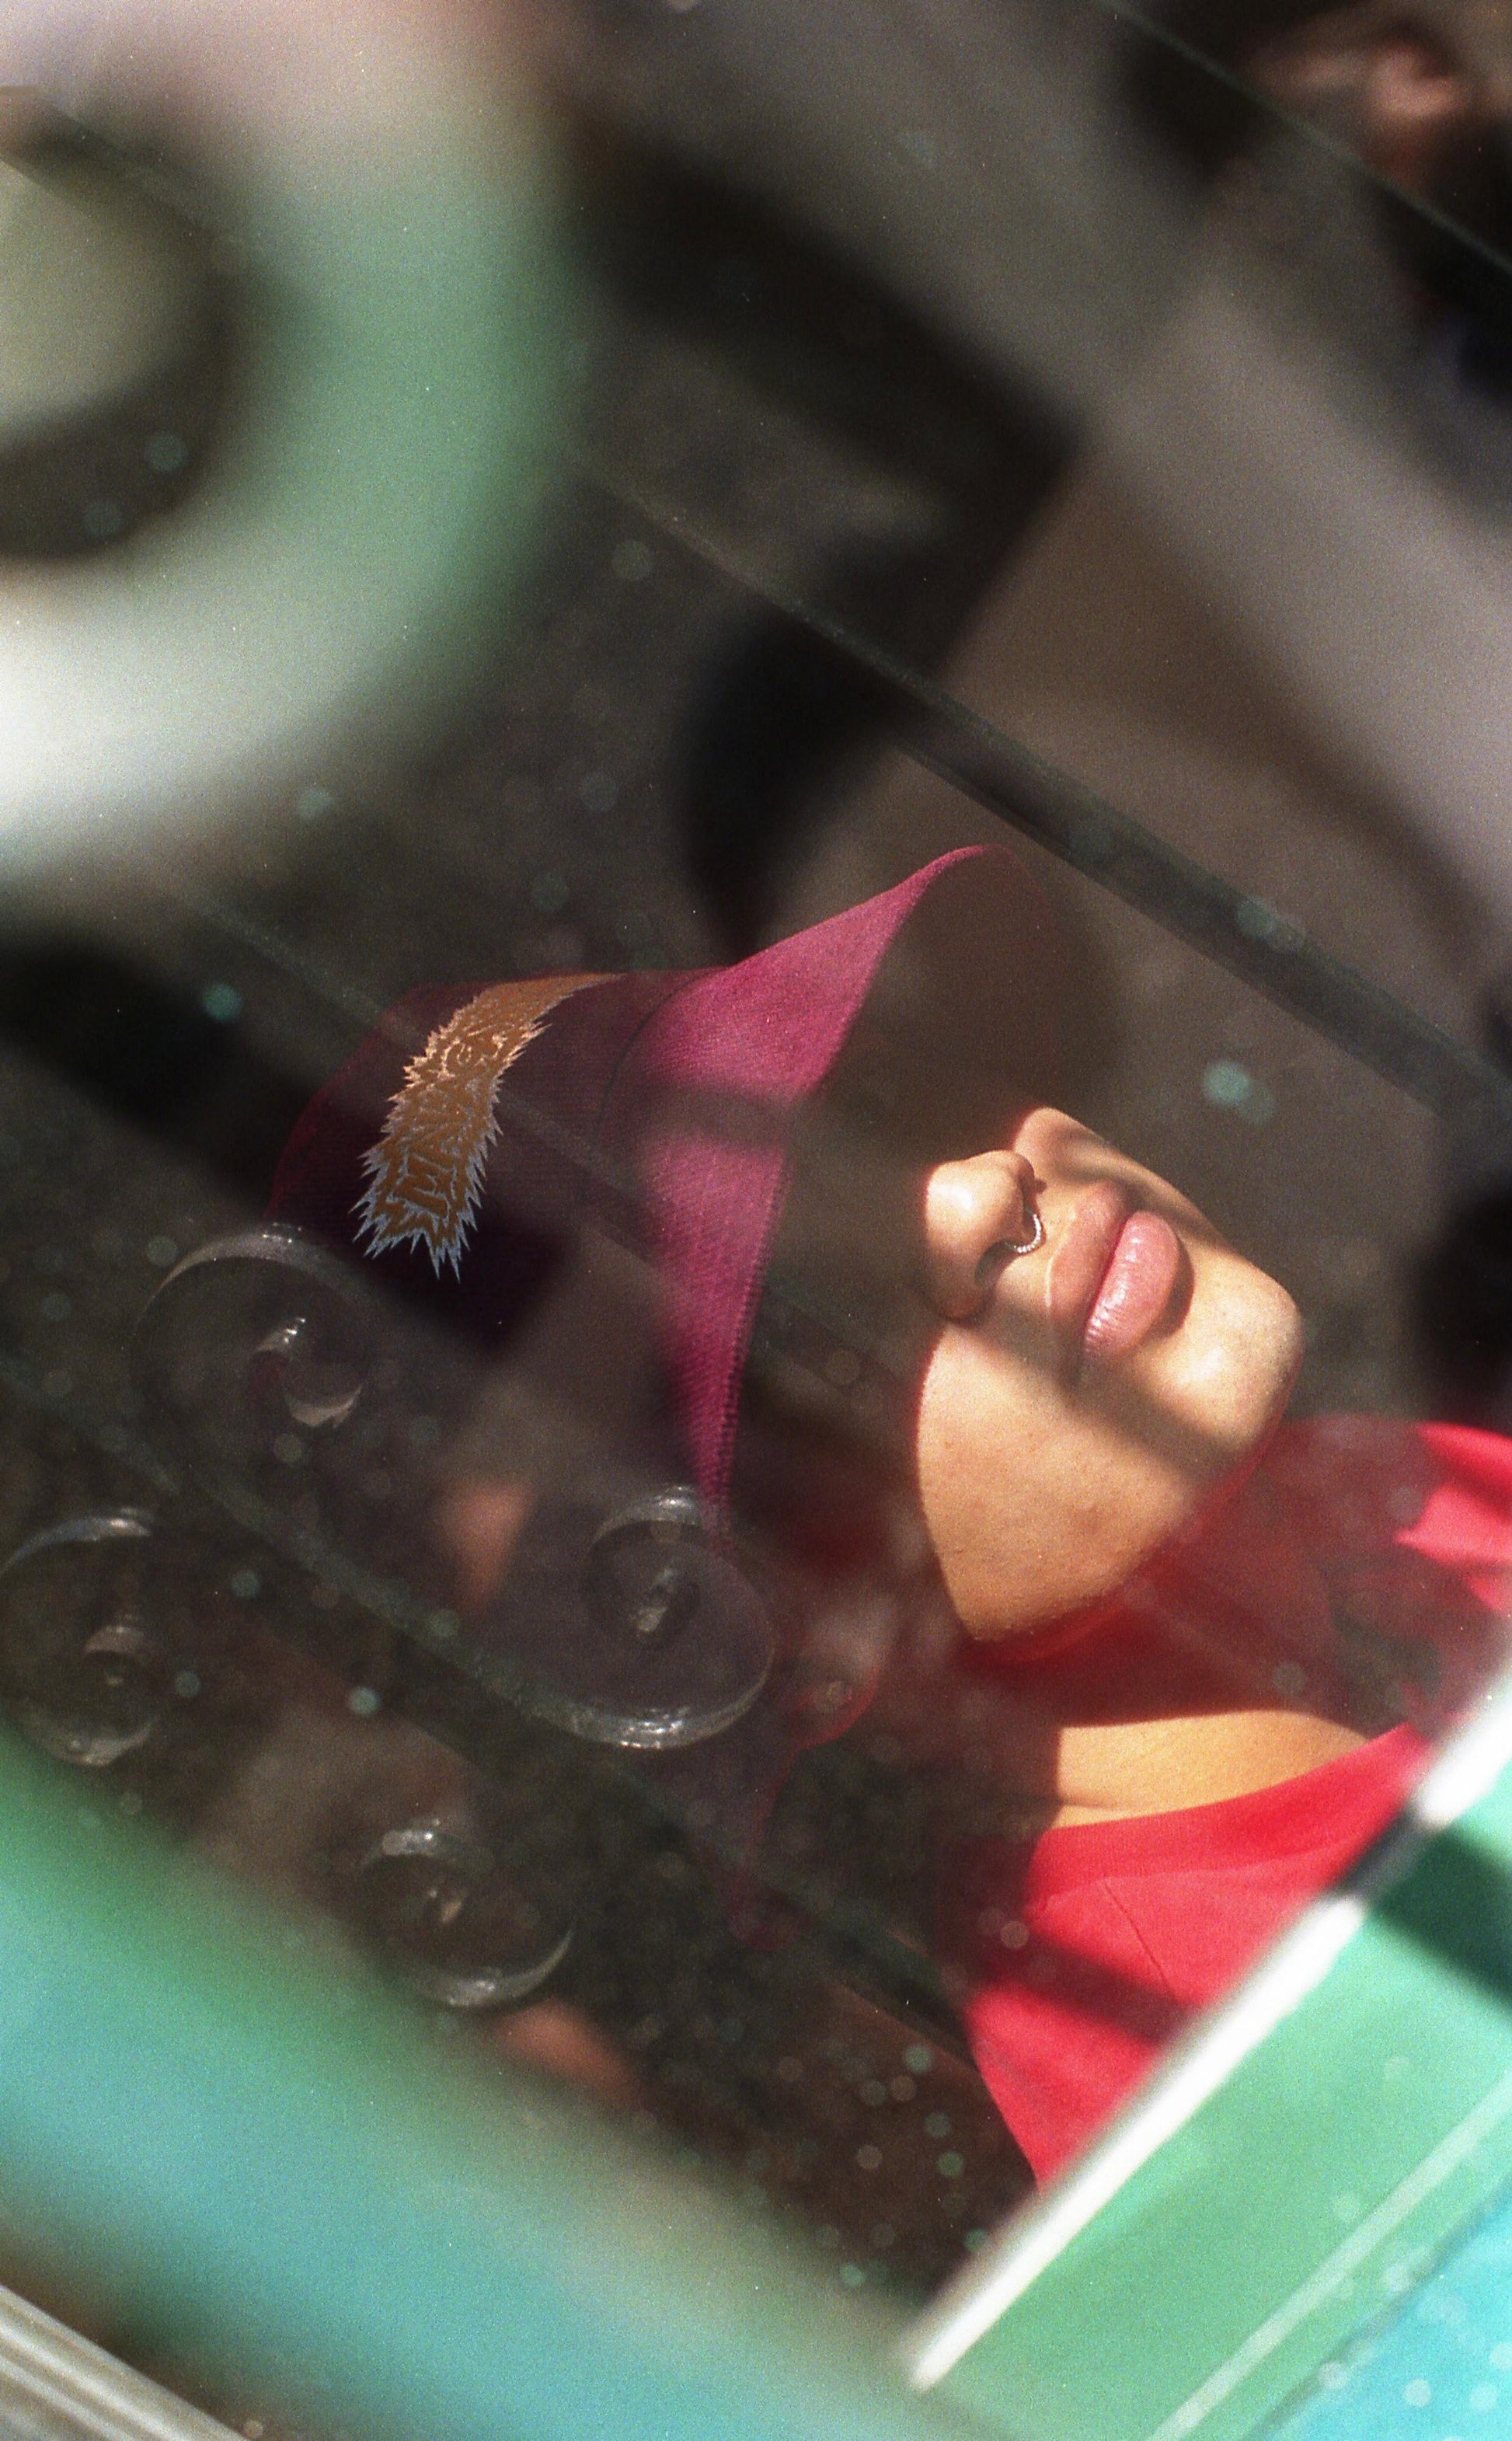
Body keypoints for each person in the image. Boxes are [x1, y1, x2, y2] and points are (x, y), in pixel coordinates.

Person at [267, 845, 1512, 2188]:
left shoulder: (1348, 1498)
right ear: (803, 1637)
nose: (979, 1194)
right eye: (822, 1318)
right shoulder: (1255, 2058)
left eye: (877, 1100)